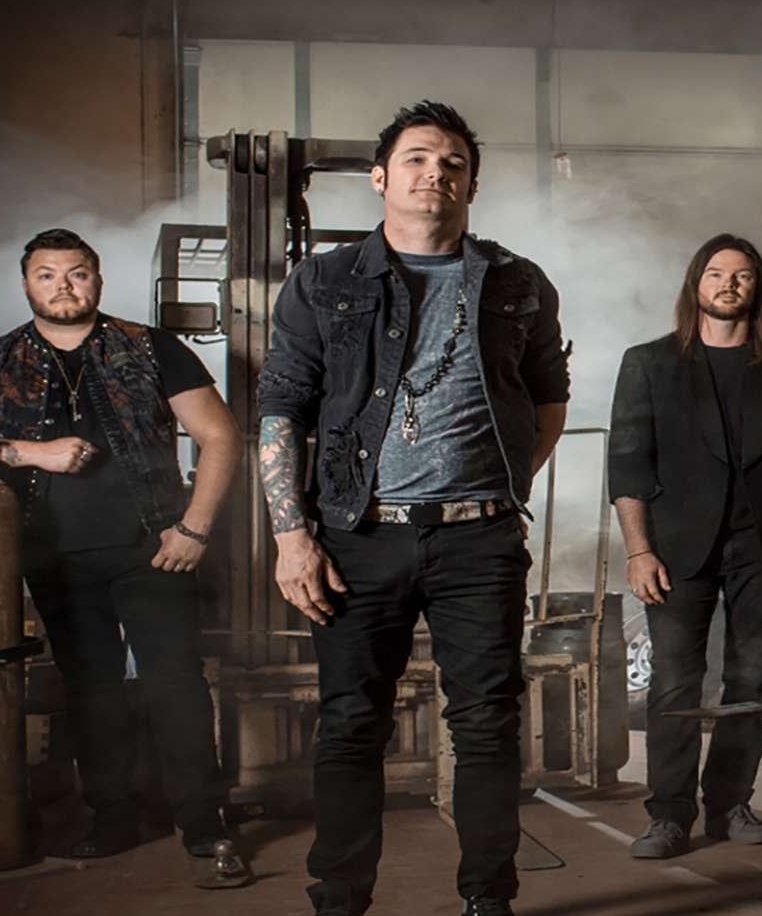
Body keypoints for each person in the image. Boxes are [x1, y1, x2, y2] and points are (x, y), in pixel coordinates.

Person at [256, 100, 570, 916]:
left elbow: (548, 400)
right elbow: (281, 407)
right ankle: (339, 901)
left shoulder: (518, 282)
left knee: (487, 724)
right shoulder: (323, 282)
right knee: (351, 723)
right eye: (418, 159)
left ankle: (489, 900)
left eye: (454, 163)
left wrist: (502, 487)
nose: (437, 173)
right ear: (380, 178)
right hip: (358, 536)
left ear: (472, 185)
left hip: (479, 540)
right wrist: (292, 536)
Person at [0, 228, 241, 876]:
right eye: (47, 274)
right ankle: (112, 819)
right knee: (92, 690)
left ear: (98, 279)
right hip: (55, 556)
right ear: (26, 283)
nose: (63, 286)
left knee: (176, 683)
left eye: (77, 273)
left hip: (157, 549)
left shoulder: (151, 348)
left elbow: (221, 436)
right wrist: (28, 452)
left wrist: (194, 529)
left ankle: (202, 821)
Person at [608, 233, 762, 859]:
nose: (728, 284)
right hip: (676, 550)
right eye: (715, 273)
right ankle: (668, 815)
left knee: (750, 681)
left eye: (742, 275)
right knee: (674, 684)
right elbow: (627, 467)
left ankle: (730, 804)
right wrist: (638, 551)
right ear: (696, 284)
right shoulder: (649, 362)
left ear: (757, 288)